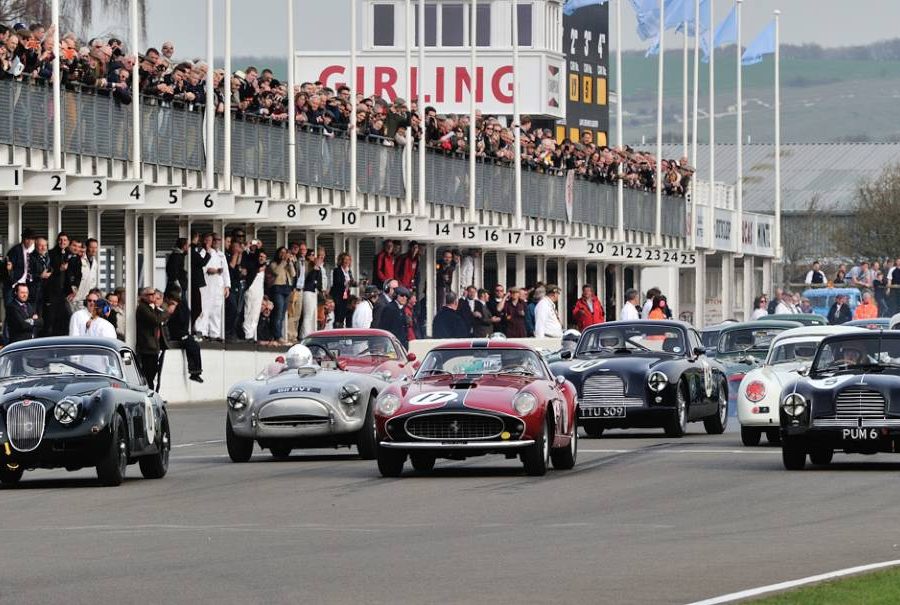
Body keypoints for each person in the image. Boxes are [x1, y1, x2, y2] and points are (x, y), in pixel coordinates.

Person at [196, 233, 231, 340]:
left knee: (216, 308)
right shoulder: (203, 252)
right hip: (207, 284)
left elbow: (226, 271)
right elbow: (203, 268)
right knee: (205, 307)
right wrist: (214, 271)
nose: (216, 241)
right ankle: (202, 330)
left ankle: (214, 333)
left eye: (218, 239)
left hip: (218, 284)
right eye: (214, 239)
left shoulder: (221, 254)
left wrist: (227, 286)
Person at [164, 288, 203, 383]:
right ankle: (195, 372)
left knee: (195, 346)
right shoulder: (167, 307)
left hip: (182, 332)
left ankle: (195, 371)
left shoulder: (182, 306)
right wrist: (169, 312)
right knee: (191, 345)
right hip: (175, 334)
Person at [135, 287, 167, 387]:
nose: (153, 296)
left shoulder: (152, 308)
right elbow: (155, 320)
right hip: (146, 347)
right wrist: (167, 312)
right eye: (150, 294)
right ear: (144, 296)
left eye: (154, 294)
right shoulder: (142, 308)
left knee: (153, 373)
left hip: (153, 347)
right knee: (148, 373)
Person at [267, 246, 296, 342]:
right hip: (277, 288)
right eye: (282, 252)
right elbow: (276, 272)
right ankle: (277, 335)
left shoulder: (287, 264)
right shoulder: (274, 263)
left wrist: (290, 263)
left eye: (285, 252)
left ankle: (279, 333)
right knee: (278, 312)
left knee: (283, 313)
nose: (284, 254)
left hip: (286, 288)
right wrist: (283, 261)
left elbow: (293, 274)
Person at [243, 249, 268, 341]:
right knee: (248, 311)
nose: (262, 259)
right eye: (260, 256)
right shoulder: (253, 265)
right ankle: (247, 334)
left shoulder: (266, 268)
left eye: (264, 257)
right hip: (251, 290)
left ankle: (252, 334)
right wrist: (258, 269)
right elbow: (249, 274)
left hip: (259, 292)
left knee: (256, 313)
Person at [299, 248, 322, 338]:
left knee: (313, 314)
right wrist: (315, 267)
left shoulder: (316, 268)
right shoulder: (307, 266)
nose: (314, 257)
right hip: (307, 291)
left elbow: (318, 281)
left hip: (313, 291)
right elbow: (309, 279)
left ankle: (312, 333)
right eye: (312, 255)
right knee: (307, 314)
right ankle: (304, 334)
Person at [189, 230, 210, 328]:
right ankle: (192, 326)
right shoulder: (192, 251)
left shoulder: (193, 250)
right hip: (195, 282)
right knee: (197, 307)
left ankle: (192, 326)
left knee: (196, 306)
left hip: (194, 281)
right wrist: (207, 251)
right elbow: (203, 262)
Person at [330, 252, 355, 329]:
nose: (347, 261)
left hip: (346, 295)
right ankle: (337, 329)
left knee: (347, 312)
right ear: (341, 260)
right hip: (338, 295)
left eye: (349, 260)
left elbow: (351, 282)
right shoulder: (337, 270)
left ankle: (346, 328)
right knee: (338, 314)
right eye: (345, 259)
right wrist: (347, 282)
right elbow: (337, 282)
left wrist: (357, 283)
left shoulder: (349, 271)